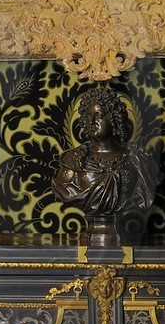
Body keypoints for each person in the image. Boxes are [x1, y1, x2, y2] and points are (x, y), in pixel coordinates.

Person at [52, 83, 156, 245]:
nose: (92, 122)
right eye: (87, 116)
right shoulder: (72, 162)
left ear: (113, 117)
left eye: (98, 116)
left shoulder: (136, 159)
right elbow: (64, 189)